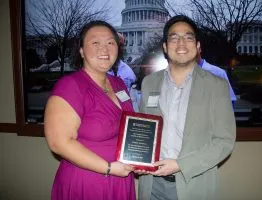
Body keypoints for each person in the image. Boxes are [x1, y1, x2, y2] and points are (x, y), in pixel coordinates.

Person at [137, 15, 236, 200]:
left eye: (188, 37)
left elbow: (225, 141)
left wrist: (181, 164)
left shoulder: (217, 85)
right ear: (165, 47)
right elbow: (144, 130)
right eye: (174, 38)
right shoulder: (149, 83)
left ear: (198, 46)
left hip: (194, 185)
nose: (181, 43)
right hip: (152, 186)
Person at [44, 20, 136, 200]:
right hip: (88, 181)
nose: (105, 49)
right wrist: (109, 168)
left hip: (121, 176)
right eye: (95, 43)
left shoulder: (118, 84)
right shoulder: (71, 85)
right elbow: (59, 143)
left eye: (110, 42)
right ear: (81, 51)